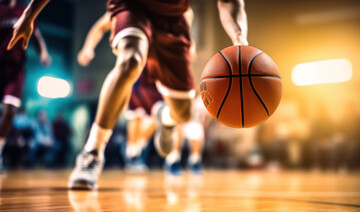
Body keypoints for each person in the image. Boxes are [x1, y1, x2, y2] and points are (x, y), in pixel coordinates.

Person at [8, 0, 248, 190]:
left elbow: (230, 1)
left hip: (173, 20)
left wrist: (239, 38)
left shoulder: (187, 15)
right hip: (132, 6)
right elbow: (99, 27)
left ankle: (165, 120)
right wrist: (30, 13)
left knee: (183, 113)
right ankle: (93, 152)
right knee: (130, 61)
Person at [77, 12, 162, 173]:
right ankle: (132, 153)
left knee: (156, 117)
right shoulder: (129, 6)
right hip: (137, 68)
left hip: (157, 73)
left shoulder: (163, 8)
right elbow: (100, 26)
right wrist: (88, 47)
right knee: (136, 116)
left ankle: (135, 148)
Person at [0, 0, 51, 172]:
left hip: (16, 69)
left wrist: (43, 52)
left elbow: (35, 35)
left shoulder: (24, 10)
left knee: (10, 112)